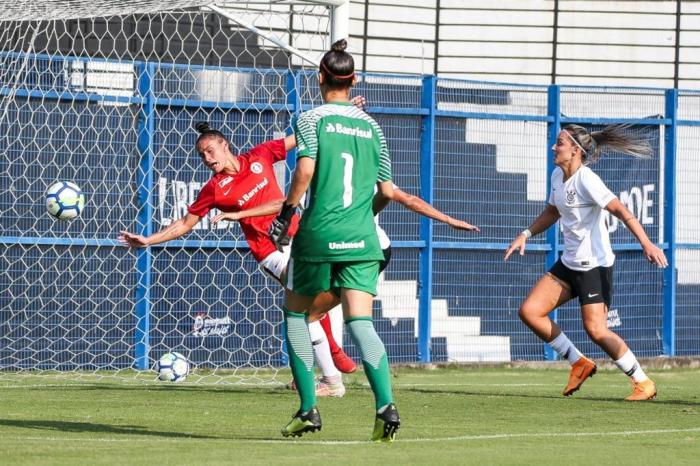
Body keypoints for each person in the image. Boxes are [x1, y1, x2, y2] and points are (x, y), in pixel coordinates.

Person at [117, 122, 357, 394]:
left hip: (301, 237)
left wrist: (343, 115)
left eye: (210, 151)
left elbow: (302, 137)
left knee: (315, 300)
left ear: (225, 145)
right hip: (271, 251)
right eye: (202, 156)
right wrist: (148, 240)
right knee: (307, 297)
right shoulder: (215, 189)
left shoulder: (261, 155)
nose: (208, 159)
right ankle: (332, 367)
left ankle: (324, 373)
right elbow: (185, 222)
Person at [268, 38, 399, 441]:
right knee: (361, 322)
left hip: (319, 234)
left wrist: (286, 214)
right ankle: (385, 406)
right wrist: (362, 217)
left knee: (295, 316)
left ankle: (309, 409)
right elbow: (389, 192)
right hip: (363, 237)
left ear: (319, 77)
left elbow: (304, 172)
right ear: (354, 79)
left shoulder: (311, 119)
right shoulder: (372, 126)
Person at [504, 124, 667, 401]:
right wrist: (526, 234)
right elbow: (553, 211)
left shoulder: (587, 180)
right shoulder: (558, 175)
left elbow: (621, 210)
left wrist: (647, 243)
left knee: (596, 330)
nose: (554, 148)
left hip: (594, 266)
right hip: (569, 264)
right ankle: (578, 362)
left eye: (560, 144)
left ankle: (643, 382)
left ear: (576, 151)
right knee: (530, 311)